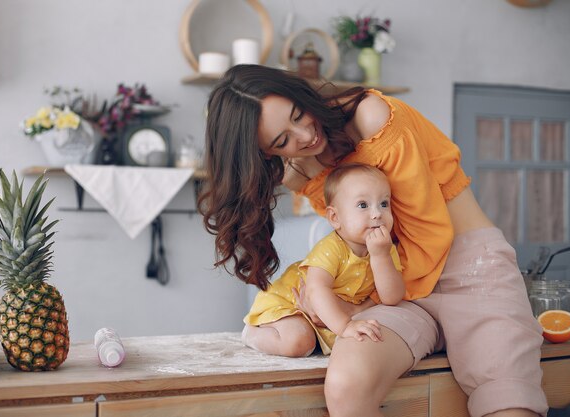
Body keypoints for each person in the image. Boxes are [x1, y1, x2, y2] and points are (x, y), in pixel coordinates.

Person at [200, 64, 547, 417]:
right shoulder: (299, 170)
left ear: (301, 95)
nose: (303, 136)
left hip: (469, 269)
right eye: (282, 141)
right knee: (347, 386)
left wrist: (360, 307)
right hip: (397, 287)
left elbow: (429, 235)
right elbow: (358, 237)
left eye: (298, 115)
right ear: (265, 153)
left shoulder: (368, 115)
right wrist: (333, 304)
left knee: (509, 404)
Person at [243, 163, 404, 357]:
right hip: (291, 304)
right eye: (363, 205)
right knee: (299, 343)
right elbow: (316, 291)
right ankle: (252, 333)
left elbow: (392, 297)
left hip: (327, 314)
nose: (377, 213)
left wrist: (381, 257)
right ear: (335, 218)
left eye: (384, 204)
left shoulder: (385, 249)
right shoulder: (331, 248)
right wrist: (345, 326)